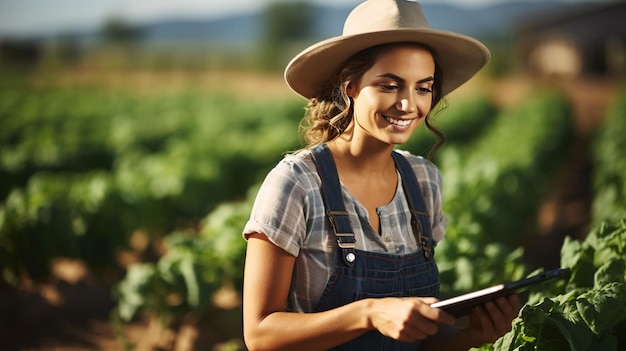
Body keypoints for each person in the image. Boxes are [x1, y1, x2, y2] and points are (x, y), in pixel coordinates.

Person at [242, 0, 521, 350]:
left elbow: (416, 343)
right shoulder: (297, 182)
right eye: (389, 85)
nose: (408, 105)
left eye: (423, 87)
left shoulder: (423, 180)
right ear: (351, 87)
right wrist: (368, 313)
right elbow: (259, 334)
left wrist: (471, 336)